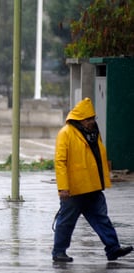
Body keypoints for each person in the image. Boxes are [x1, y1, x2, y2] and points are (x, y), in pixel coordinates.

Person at [52, 97, 133, 262]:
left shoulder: (93, 133)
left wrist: (103, 180)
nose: (91, 121)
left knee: (102, 219)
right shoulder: (66, 133)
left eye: (92, 118)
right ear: (79, 119)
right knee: (66, 222)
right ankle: (59, 252)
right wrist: (63, 188)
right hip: (74, 189)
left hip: (93, 186)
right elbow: (60, 162)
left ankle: (113, 249)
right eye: (88, 119)